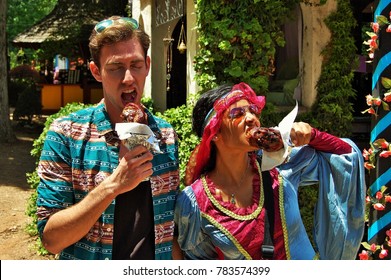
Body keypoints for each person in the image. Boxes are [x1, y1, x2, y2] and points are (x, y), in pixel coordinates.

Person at [36, 16, 180, 260]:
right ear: (96, 71)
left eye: (135, 65)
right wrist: (114, 185)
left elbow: (167, 230)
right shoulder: (66, 134)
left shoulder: (165, 134)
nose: (128, 78)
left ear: (147, 65)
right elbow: (52, 239)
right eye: (115, 68)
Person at [174, 82, 366, 260]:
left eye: (253, 110)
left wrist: (313, 136)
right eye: (237, 114)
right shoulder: (194, 203)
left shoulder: (280, 165)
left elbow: (346, 156)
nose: (252, 119)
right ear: (214, 133)